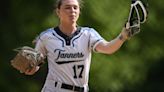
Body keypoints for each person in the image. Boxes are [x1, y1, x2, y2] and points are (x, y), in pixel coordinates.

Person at [24, 0, 131, 92]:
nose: (72, 11)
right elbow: (35, 66)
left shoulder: (88, 34)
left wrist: (122, 36)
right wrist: (29, 67)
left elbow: (108, 48)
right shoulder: (46, 37)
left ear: (79, 11)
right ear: (58, 12)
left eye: (75, 7)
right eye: (67, 8)